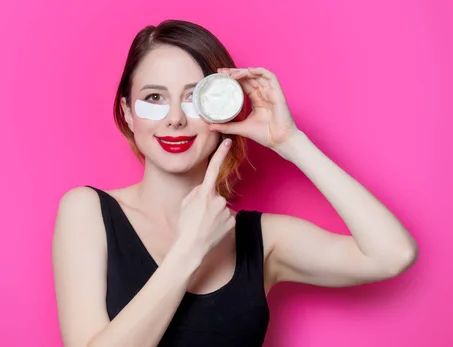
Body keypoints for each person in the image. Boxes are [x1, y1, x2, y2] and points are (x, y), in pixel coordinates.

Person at [52, 19, 418, 347]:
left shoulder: (263, 240)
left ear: (222, 107)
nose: (176, 118)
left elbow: (392, 254)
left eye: (194, 98)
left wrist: (290, 142)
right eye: (153, 98)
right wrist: (189, 250)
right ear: (129, 113)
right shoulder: (87, 211)